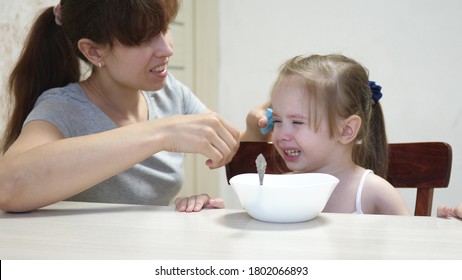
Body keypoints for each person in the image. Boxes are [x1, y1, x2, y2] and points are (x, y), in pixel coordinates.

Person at [0, 0, 260, 213]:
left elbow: (235, 156)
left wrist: (254, 129)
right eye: (144, 38)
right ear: (93, 52)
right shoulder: (62, 108)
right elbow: (8, 186)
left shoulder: (172, 93)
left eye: (165, 27)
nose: (167, 48)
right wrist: (163, 134)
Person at [261, 54, 409, 215]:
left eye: (297, 122)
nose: (282, 134)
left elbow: (413, 239)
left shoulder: (373, 192)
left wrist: (439, 227)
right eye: (276, 121)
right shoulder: (281, 187)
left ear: (346, 130)